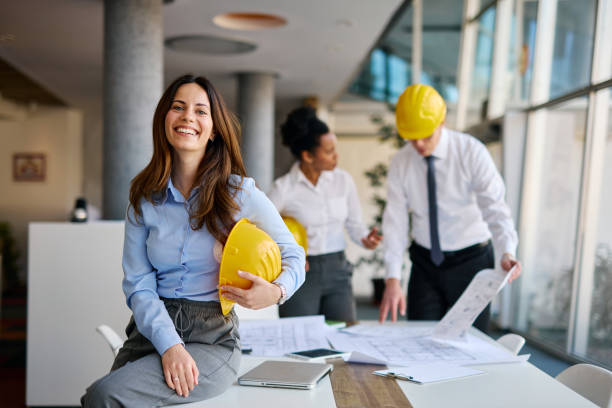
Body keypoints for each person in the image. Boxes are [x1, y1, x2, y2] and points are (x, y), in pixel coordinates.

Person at [81, 74, 305, 406]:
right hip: (150, 333)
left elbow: (294, 255)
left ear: (214, 129)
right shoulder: (143, 200)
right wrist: (171, 346)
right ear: (164, 120)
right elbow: (139, 285)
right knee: (96, 400)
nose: (188, 117)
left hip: (212, 340)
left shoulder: (240, 193)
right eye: (178, 107)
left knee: (104, 396)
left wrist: (276, 291)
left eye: (201, 111)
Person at [378, 84, 522, 331]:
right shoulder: (401, 162)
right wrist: (393, 278)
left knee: (471, 342)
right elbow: (395, 221)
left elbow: (495, 207)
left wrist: (507, 250)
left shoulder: (471, 152)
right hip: (425, 263)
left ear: (442, 121)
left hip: (472, 261)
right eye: (413, 139)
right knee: (419, 340)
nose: (420, 145)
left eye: (426, 136)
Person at [268, 106, 382, 322]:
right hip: (301, 271)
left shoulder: (343, 181)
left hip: (338, 269)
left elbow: (355, 224)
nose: (336, 156)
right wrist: (285, 257)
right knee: (299, 339)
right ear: (307, 156)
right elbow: (260, 229)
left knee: (344, 335)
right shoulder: (284, 188)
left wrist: (366, 239)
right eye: (329, 151)